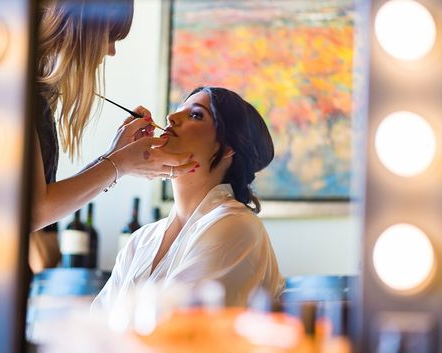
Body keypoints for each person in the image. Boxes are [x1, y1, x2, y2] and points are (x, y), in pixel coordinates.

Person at [93, 86, 285, 310]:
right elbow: (97, 323)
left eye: (196, 114)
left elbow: (179, 327)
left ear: (227, 149)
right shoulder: (141, 240)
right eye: (177, 110)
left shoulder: (237, 227)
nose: (171, 117)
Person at [32, 0, 197, 231]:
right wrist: (121, 162)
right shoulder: (17, 93)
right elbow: (35, 211)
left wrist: (116, 156)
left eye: (197, 116)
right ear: (84, 25)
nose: (111, 51)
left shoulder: (33, 94)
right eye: (109, 35)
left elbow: (42, 201)